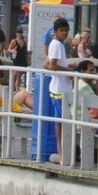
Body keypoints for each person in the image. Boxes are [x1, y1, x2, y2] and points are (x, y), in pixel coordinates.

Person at [44, 16, 74, 159]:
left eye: (66, 31)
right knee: (63, 120)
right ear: (55, 31)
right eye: (62, 31)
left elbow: (47, 64)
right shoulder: (56, 44)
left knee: (60, 121)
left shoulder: (57, 44)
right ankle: (63, 151)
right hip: (59, 89)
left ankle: (61, 151)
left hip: (58, 87)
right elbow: (51, 65)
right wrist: (68, 71)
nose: (64, 33)